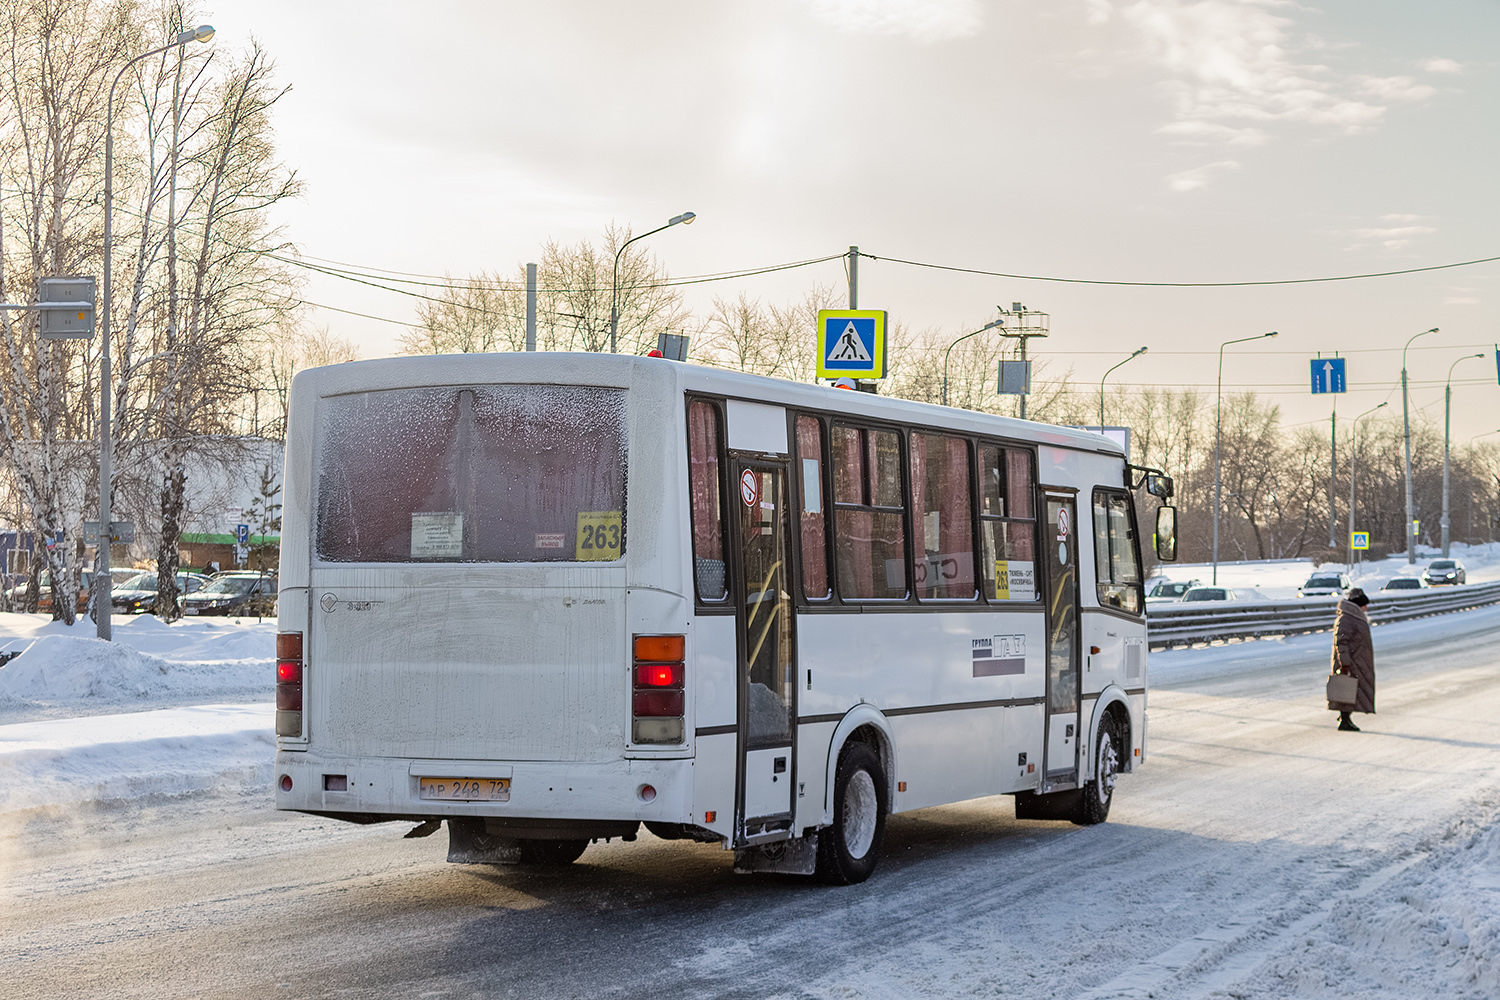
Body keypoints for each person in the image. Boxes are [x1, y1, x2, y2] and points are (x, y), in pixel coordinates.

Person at [1328, 587, 1375, 731]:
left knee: (1352, 690)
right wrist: (1345, 663)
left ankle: (1345, 717)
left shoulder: (1354, 617)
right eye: (1364, 605)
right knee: (1347, 688)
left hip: (1356, 661)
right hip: (1350, 662)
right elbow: (1341, 642)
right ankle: (1344, 719)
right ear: (1358, 604)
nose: (1366, 608)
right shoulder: (1347, 619)